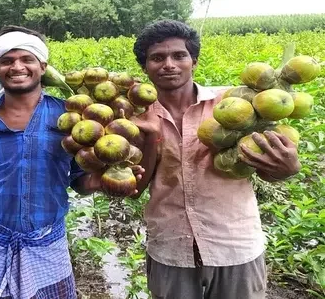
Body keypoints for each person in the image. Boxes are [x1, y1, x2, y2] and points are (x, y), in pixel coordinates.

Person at [0, 25, 144, 299]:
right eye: (6, 60)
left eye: (27, 59)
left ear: (42, 66)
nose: (17, 67)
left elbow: (80, 181)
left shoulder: (70, 118)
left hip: (46, 242)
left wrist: (99, 179)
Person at [129, 20, 301, 299]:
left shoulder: (235, 105)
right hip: (170, 248)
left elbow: (267, 165)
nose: (169, 64)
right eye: (157, 58)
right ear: (145, 67)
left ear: (193, 61)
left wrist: (288, 168)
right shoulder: (135, 118)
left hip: (234, 245)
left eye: (179, 55)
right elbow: (136, 188)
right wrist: (150, 137)